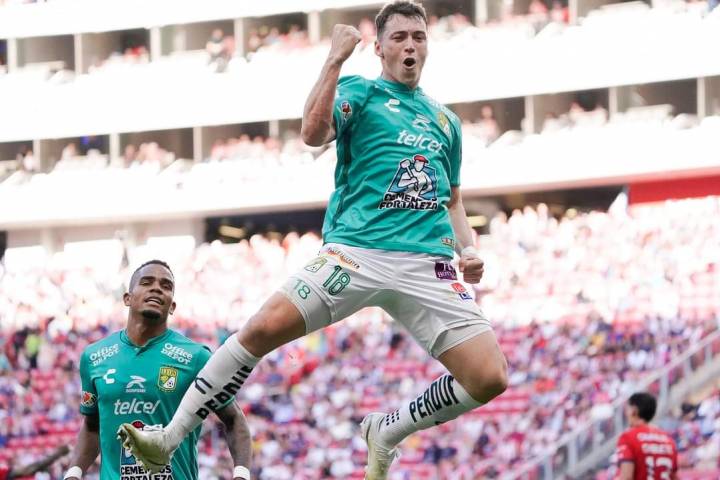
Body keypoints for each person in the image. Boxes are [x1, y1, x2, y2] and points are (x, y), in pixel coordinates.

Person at [118, 2, 508, 479]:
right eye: (400, 37)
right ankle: (168, 438)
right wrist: (334, 60)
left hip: (428, 263)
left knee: (489, 377)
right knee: (260, 329)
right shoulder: (361, 91)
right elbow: (311, 132)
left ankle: (388, 430)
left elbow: (453, 200)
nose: (410, 45)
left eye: (418, 37)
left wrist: (468, 248)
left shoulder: (445, 121)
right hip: (356, 253)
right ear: (380, 48)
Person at [65, 260, 252, 480]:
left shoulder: (196, 357)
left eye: (166, 286)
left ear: (172, 306)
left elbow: (234, 419)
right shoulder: (94, 357)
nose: (157, 288)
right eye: (147, 282)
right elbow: (92, 426)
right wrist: (73, 474)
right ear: (127, 298)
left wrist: (241, 475)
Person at [615, 392, 678, 480]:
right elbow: (674, 476)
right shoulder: (668, 440)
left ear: (634, 410)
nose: (626, 413)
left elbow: (627, 477)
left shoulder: (628, 437)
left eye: (627, 409)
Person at [0, 445, 69, 480]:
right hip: (7, 474)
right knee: (37, 466)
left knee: (37, 466)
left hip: (8, 473)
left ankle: (59, 453)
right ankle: (59, 453)